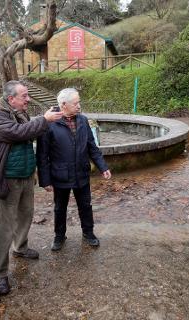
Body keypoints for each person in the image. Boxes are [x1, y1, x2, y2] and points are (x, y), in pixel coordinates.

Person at [0, 80, 63, 295]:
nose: (28, 99)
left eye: (28, 95)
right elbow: (17, 133)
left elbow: (29, 134)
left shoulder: (21, 112)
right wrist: (44, 120)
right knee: (3, 226)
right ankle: (0, 273)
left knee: (26, 214)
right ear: (11, 99)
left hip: (26, 175)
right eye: (24, 96)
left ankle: (20, 247)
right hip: (7, 177)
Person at [36, 88, 112, 251]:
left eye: (79, 102)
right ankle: (59, 235)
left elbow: (92, 146)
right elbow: (42, 155)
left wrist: (103, 167)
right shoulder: (49, 123)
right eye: (76, 103)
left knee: (85, 205)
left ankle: (88, 232)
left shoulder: (83, 121)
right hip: (60, 174)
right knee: (59, 207)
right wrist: (45, 180)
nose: (79, 106)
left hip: (81, 172)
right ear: (64, 105)